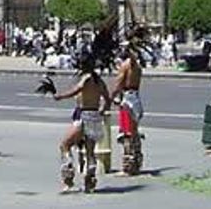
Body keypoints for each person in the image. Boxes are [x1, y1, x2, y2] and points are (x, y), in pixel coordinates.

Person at [52, 53, 112, 192]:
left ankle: (69, 175)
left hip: (83, 116)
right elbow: (107, 99)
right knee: (90, 152)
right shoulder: (99, 80)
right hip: (94, 116)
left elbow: (76, 90)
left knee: (65, 145)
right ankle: (89, 181)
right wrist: (101, 112)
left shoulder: (86, 79)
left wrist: (60, 96)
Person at [110, 44, 144, 175]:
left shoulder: (126, 67)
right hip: (135, 98)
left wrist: (110, 98)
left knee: (126, 133)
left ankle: (128, 167)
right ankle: (136, 162)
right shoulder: (137, 67)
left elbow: (118, 85)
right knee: (134, 132)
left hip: (127, 101)